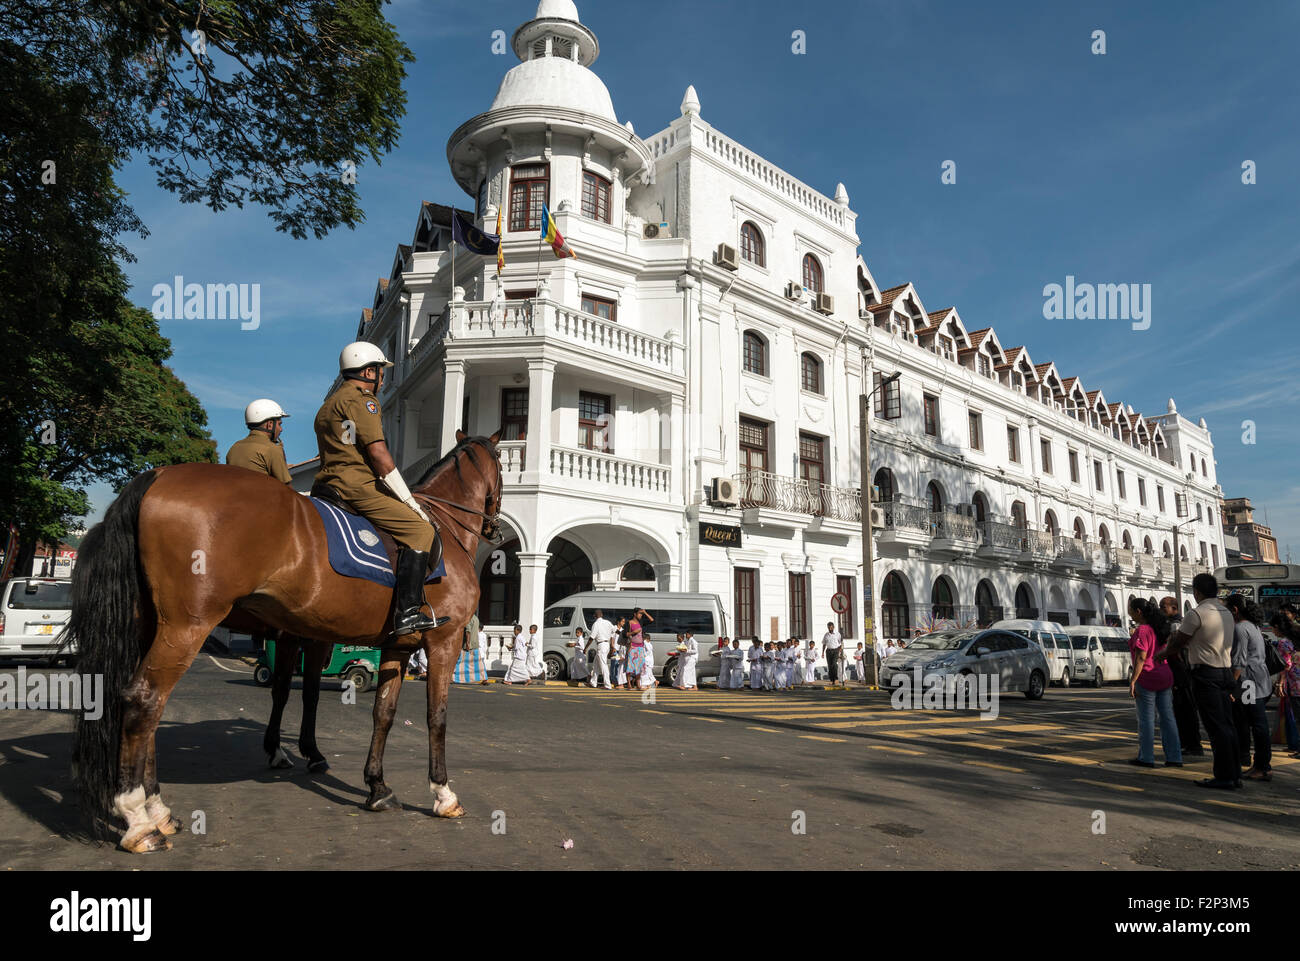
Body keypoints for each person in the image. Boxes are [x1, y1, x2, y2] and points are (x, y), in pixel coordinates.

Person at [313, 342, 445, 636]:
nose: (382, 379)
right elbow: (378, 455)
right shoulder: (363, 401)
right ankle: (408, 613)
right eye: (380, 372)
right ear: (369, 371)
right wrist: (408, 499)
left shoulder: (327, 406)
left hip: (325, 484)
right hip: (356, 485)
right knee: (421, 531)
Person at [1157, 574, 1239, 788]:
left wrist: (1162, 655)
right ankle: (1234, 773)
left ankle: (1224, 776)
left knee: (1215, 727)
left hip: (1206, 673)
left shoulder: (1196, 613)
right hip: (1225, 671)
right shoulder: (1226, 612)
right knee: (1228, 725)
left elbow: (1178, 642)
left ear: (1197, 592)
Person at [1126, 598, 1181, 767]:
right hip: (1164, 674)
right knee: (1167, 718)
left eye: (1131, 609)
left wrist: (1133, 680)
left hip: (1147, 677)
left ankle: (1147, 757)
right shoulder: (1159, 628)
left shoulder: (1143, 630)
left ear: (1138, 612)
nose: (1130, 612)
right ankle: (1174, 756)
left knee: (1146, 720)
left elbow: (1141, 657)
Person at [1225, 594, 1272, 780]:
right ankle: (1261, 765)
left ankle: (1262, 766)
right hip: (1260, 680)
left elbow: (1239, 662)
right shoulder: (1253, 626)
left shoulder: (1240, 628)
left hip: (1249, 683)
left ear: (1235, 610)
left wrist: (1231, 687)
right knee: (1257, 724)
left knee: (1256, 725)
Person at [1160, 595, 1203, 756]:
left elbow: (1177, 648)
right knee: (1181, 709)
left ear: (1174, 608)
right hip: (1180, 671)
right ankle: (1187, 743)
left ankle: (1193, 744)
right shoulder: (1173, 623)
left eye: (1164, 607)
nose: (1161, 610)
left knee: (1186, 709)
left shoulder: (1177, 624)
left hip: (1182, 672)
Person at [227, 399, 293, 484]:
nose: (281, 429)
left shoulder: (234, 448)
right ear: (270, 424)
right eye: (279, 424)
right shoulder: (272, 449)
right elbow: (287, 489)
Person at [1269, 613, 1300, 756]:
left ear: (1277, 627)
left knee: (1296, 716)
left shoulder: (1283, 643)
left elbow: (1285, 665)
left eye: (1272, 628)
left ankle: (1297, 747)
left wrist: (1280, 684)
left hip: (1293, 684)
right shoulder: (1296, 638)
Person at [589, 609, 614, 690]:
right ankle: (593, 683)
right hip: (607, 645)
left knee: (603, 665)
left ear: (594, 616)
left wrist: (585, 648)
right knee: (596, 664)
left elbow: (591, 638)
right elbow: (615, 631)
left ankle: (607, 685)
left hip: (601, 645)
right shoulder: (608, 622)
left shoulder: (596, 624)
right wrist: (612, 646)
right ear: (602, 615)